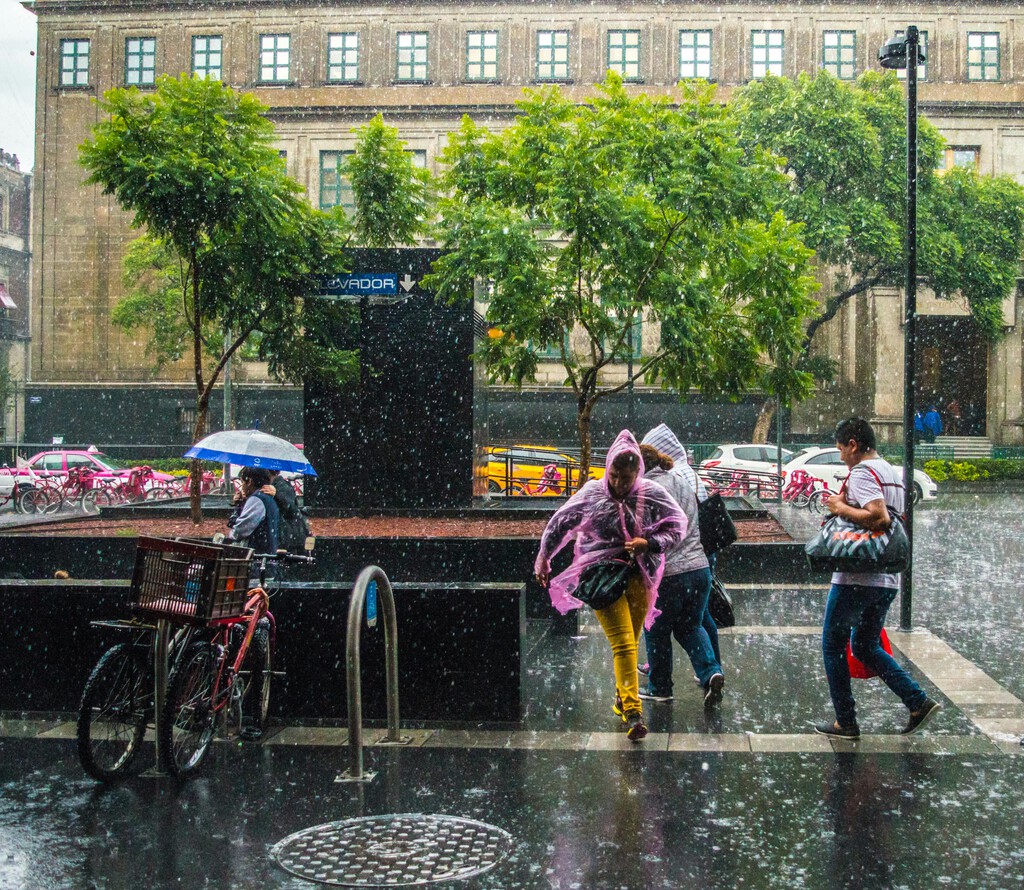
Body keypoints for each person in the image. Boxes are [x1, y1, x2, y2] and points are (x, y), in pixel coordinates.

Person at [534, 430, 686, 742]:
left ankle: (621, 698)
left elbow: (677, 526)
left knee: (629, 639)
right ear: (607, 469)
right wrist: (544, 557)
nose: (618, 483)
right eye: (614, 475)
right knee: (624, 644)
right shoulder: (592, 493)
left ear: (637, 473)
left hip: (639, 576)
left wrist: (650, 542)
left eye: (626, 478)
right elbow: (559, 524)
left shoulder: (650, 494)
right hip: (600, 578)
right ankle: (633, 711)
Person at [815, 417, 941, 739]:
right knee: (866, 645)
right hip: (886, 579)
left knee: (833, 645)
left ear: (853, 445)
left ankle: (846, 721)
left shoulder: (861, 472)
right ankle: (917, 701)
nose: (841, 456)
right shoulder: (891, 472)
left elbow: (879, 518)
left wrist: (840, 507)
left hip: (857, 577)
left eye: (842, 449)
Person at [638, 443, 724, 707]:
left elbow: (643, 531)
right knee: (691, 626)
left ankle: (660, 687)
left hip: (669, 572)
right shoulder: (680, 481)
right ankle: (711, 673)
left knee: (656, 630)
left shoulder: (645, 490)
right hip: (699, 569)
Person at [225, 466, 279, 741]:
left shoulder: (257, 501)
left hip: (251, 574)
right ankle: (254, 713)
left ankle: (250, 710)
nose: (240, 486)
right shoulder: (267, 500)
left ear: (248, 480)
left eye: (241, 481)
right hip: (265, 572)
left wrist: (236, 511)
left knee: (244, 629)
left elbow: (239, 531)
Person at [227, 466, 280, 554]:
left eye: (242, 482)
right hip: (269, 553)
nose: (242, 486)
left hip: (257, 556)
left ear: (250, 482)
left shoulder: (256, 499)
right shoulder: (268, 498)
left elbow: (242, 529)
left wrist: (232, 534)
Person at [262, 470, 310, 552]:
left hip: (284, 537)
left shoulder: (283, 486)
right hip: (277, 536)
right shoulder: (266, 487)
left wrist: (276, 494)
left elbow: (291, 509)